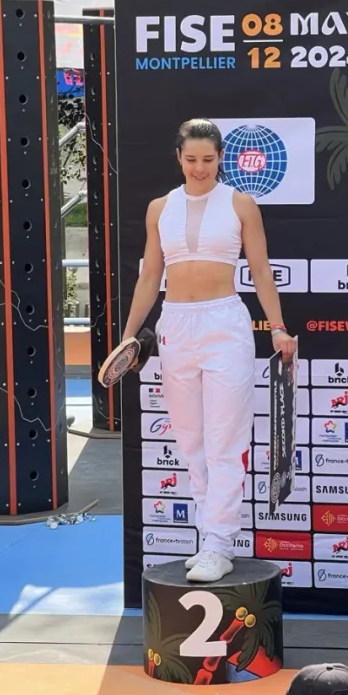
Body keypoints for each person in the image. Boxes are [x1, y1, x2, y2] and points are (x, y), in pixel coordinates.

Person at [120, 118, 296, 584]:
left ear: (221, 159)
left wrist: (278, 327)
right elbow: (149, 276)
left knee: (225, 440)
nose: (200, 168)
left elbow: (261, 270)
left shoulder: (241, 204)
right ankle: (208, 540)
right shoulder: (160, 208)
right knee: (191, 441)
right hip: (175, 325)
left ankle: (219, 543)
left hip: (225, 324)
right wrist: (129, 336)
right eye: (192, 159)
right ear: (178, 158)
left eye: (209, 159)